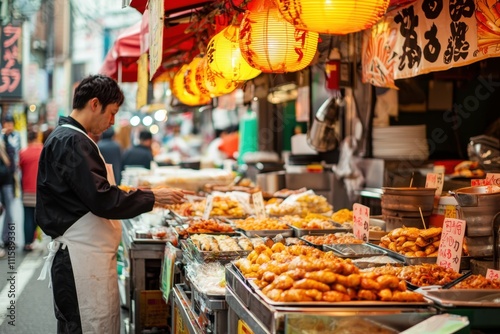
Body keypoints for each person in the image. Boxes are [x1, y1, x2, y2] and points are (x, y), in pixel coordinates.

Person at [36, 74, 191, 334]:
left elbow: (97, 194)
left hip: (83, 257)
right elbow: (103, 199)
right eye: (112, 112)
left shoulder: (71, 137)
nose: (112, 122)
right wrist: (153, 196)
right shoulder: (72, 141)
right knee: (86, 327)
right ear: (94, 104)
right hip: (79, 259)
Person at [19, 129, 43, 251]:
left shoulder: (23, 153)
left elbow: (19, 168)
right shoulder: (43, 150)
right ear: (37, 137)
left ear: (28, 139)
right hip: (40, 190)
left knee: (27, 217)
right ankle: (36, 240)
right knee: (38, 217)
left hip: (27, 190)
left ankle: (27, 242)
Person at [0, 116, 17, 250]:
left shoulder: (14, 138)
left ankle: (7, 239)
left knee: (9, 211)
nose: (8, 126)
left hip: (7, 180)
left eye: (10, 123)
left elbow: (13, 159)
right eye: (6, 123)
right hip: (4, 179)